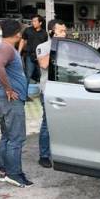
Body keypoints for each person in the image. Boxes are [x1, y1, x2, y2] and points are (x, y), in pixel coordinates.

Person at [0, 19, 33, 188]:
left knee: (7, 137)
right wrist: (8, 88)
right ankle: (14, 174)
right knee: (16, 138)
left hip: (3, 100)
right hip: (9, 101)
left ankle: (5, 171)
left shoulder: (2, 47)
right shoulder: (6, 48)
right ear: (17, 34)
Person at [33, 19, 67, 168]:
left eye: (65, 31)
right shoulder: (43, 47)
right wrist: (55, 45)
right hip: (49, 91)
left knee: (64, 123)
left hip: (66, 90)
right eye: (61, 31)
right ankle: (44, 155)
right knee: (48, 123)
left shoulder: (68, 47)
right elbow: (44, 64)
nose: (64, 34)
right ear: (52, 32)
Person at [18, 15, 48, 98]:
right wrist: (18, 52)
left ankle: (43, 95)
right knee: (27, 75)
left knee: (42, 76)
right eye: (32, 21)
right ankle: (24, 95)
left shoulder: (44, 33)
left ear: (40, 23)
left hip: (40, 58)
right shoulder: (28, 30)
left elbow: (45, 46)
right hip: (29, 56)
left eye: (35, 21)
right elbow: (22, 40)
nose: (33, 22)